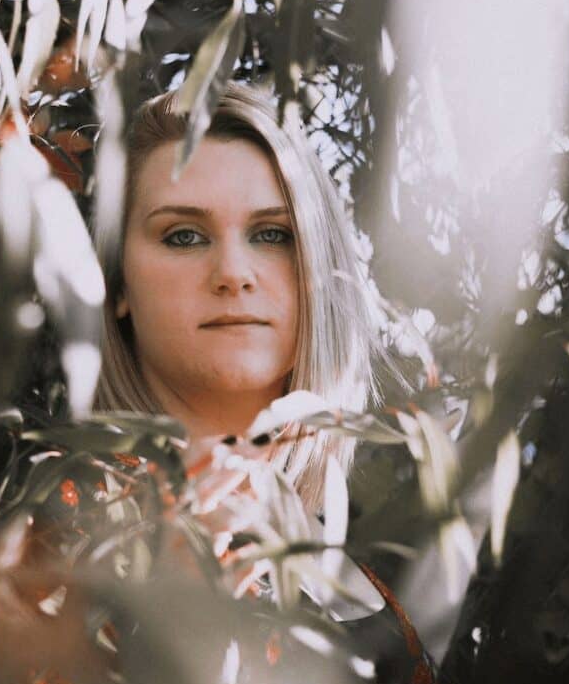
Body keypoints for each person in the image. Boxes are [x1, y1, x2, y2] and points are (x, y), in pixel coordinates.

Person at [93, 81, 380, 512]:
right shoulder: (36, 539)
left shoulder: (353, 577)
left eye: (272, 235)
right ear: (118, 283)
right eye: (184, 236)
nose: (233, 274)